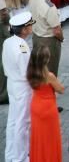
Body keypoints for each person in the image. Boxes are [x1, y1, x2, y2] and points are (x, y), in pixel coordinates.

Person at [3, 11, 33, 161]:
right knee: (23, 123)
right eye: (30, 26)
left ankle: (10, 155)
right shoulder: (22, 47)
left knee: (13, 121)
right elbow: (26, 72)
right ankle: (20, 157)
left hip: (12, 84)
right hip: (22, 86)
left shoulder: (8, 41)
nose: (31, 28)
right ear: (24, 29)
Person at [28, 45, 65, 161]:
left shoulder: (30, 72)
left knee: (38, 137)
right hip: (48, 108)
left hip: (36, 105)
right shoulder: (49, 76)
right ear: (46, 59)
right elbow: (61, 89)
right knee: (51, 138)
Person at [28, 0, 64, 73]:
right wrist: (61, 39)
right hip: (49, 42)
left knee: (40, 70)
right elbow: (57, 31)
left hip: (36, 39)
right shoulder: (50, 6)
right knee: (50, 71)